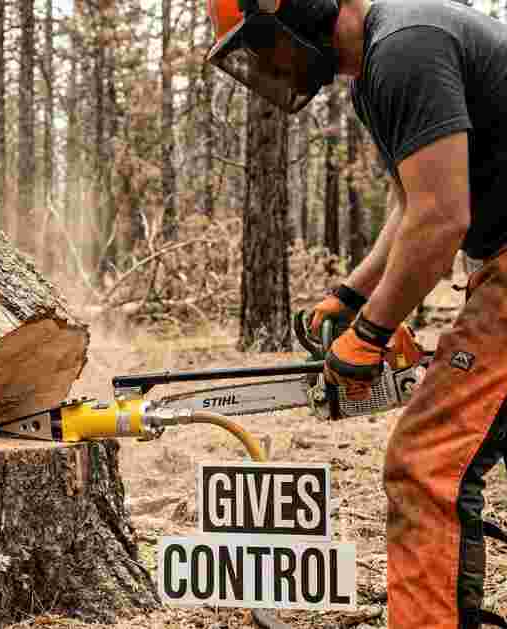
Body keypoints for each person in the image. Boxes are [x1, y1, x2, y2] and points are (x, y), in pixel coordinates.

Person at [205, 0, 507, 627]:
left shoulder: (405, 47)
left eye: (267, 45)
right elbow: (411, 206)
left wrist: (371, 333)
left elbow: (441, 218)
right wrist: (351, 296)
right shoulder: (380, 67)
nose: (273, 65)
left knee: (425, 461)